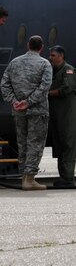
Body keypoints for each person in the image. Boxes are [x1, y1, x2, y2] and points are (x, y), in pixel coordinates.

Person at [0, 35, 53, 190]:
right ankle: (29, 179)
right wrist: (28, 102)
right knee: (35, 143)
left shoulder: (14, 63)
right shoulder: (45, 64)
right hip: (38, 110)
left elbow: (4, 84)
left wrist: (14, 101)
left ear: (28, 45)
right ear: (41, 47)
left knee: (22, 143)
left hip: (18, 111)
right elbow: (45, 87)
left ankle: (24, 176)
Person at [47, 45, 76, 188]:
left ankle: (69, 179)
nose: (50, 58)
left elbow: (67, 88)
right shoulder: (53, 70)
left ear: (61, 56)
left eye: (53, 55)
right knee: (59, 145)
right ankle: (63, 177)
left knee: (68, 144)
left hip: (67, 115)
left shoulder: (68, 70)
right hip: (56, 115)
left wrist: (49, 93)